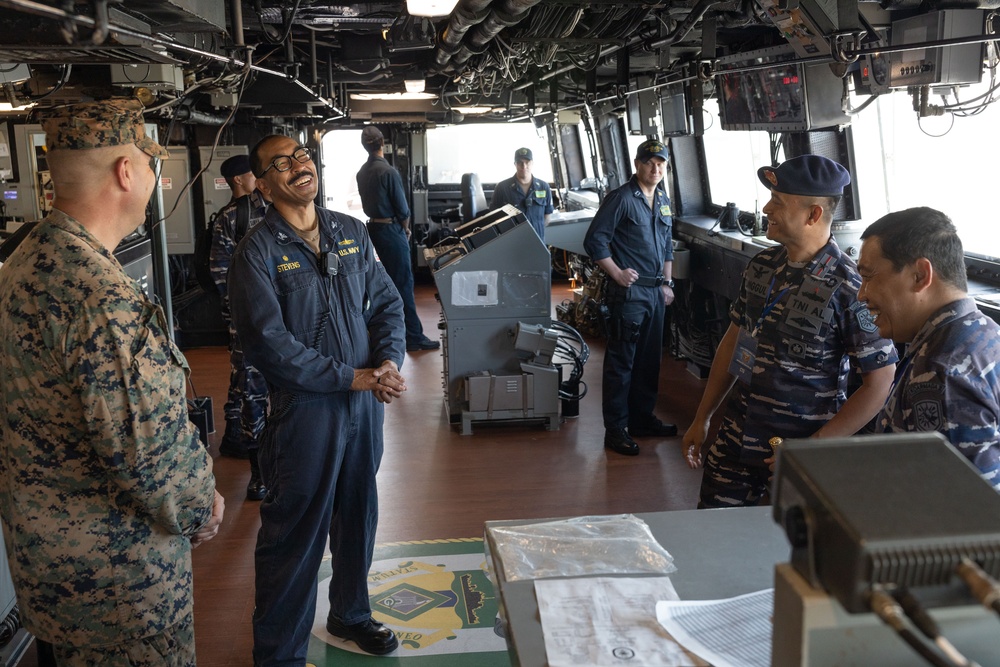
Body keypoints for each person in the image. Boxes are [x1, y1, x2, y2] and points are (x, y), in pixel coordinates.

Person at [0, 98, 224, 663]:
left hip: (55, 570)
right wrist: (202, 506)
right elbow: (148, 454)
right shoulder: (100, 299)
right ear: (128, 171)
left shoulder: (26, 264)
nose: (153, 177)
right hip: (123, 589)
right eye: (150, 163)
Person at [229, 134, 407, 664]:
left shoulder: (350, 232)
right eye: (280, 164)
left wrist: (390, 361)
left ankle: (351, 614)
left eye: (302, 156)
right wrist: (352, 377)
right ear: (263, 184)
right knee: (295, 535)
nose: (296, 167)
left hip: (363, 409)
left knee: (358, 514)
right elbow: (268, 345)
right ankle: (279, 654)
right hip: (305, 411)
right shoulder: (255, 253)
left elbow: (388, 305)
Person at [683, 154, 898, 507]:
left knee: (793, 555)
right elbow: (733, 342)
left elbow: (880, 381)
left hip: (802, 452)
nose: (766, 208)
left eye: (778, 202)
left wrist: (813, 448)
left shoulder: (850, 287)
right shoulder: (761, 267)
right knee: (715, 539)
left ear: (813, 215)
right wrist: (702, 417)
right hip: (736, 439)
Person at [858, 207, 1000, 490]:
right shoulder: (983, 331)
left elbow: (963, 511)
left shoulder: (943, 371)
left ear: (920, 275)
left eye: (869, 276)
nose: (862, 294)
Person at [583, 139, 678, 456]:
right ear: (637, 164)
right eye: (650, 162)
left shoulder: (662, 200)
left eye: (661, 163)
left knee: (649, 361)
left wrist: (668, 283)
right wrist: (616, 273)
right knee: (622, 362)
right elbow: (595, 241)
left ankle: (642, 419)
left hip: (655, 292)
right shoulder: (621, 199)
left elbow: (667, 245)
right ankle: (616, 429)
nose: (656, 168)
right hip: (629, 293)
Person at [210, 154, 270, 500]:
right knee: (251, 390)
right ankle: (259, 468)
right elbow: (220, 269)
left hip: (293, 320)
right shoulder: (235, 216)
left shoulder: (293, 211)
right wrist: (241, 312)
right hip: (248, 322)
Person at [357, 125, 439, 352]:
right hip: (392, 233)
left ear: (365, 146)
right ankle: (413, 337)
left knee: (378, 286)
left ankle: (379, 338)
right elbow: (402, 210)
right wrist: (406, 229)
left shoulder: (362, 173)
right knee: (403, 284)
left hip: (373, 231)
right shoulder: (389, 172)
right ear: (382, 143)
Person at [489, 147, 554, 242]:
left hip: (538, 241)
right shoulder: (502, 187)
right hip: (512, 242)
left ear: (532, 163)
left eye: (527, 162)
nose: (524, 166)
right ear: (515, 164)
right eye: (520, 162)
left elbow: (547, 217)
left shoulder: (544, 187)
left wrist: (533, 230)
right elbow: (494, 217)